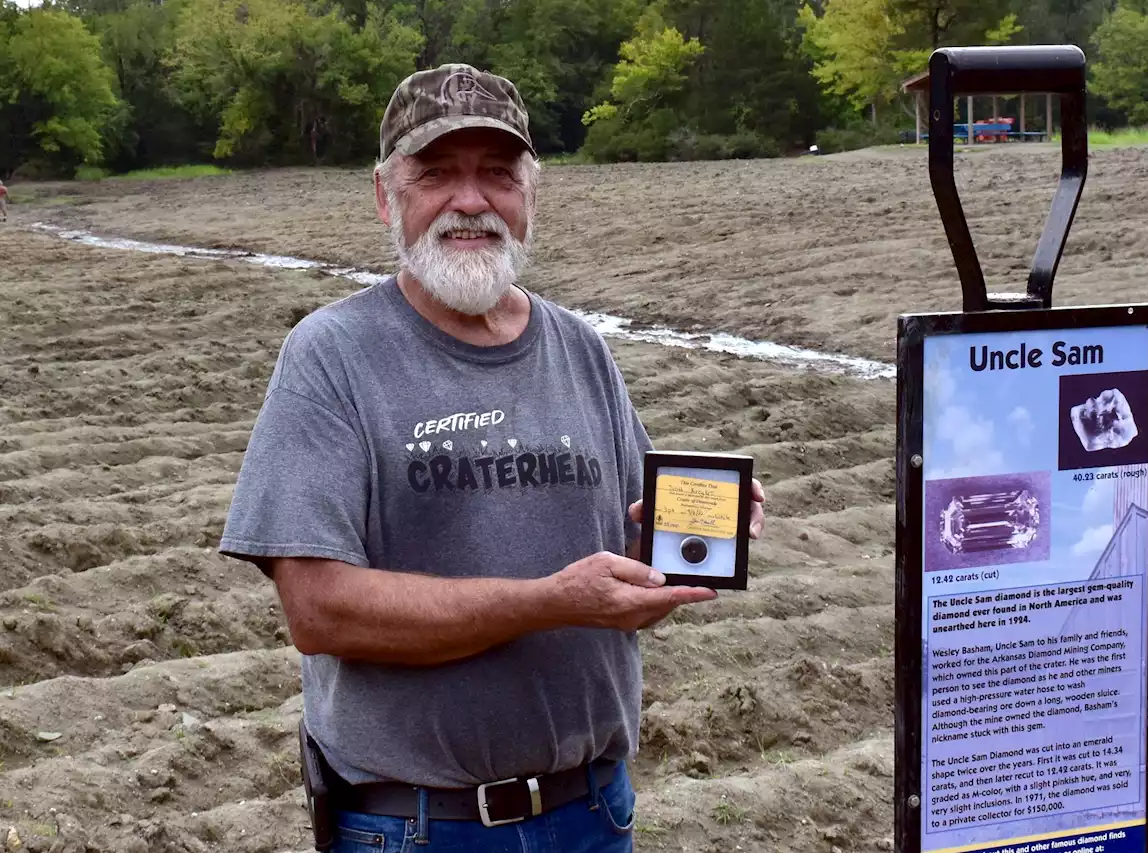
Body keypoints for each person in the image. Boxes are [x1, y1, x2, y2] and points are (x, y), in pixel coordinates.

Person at [218, 63, 766, 853]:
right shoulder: (331, 355)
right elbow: (318, 609)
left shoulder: (580, 349)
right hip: (416, 827)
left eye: (498, 175)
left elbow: (627, 544)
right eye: (437, 173)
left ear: (530, 194)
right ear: (386, 194)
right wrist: (549, 599)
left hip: (593, 813)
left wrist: (696, 543)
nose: (471, 201)